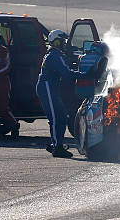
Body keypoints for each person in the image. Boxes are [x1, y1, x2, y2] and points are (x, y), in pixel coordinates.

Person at [36, 29, 88, 158]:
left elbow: (66, 71)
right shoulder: (54, 56)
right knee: (55, 118)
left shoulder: (56, 54)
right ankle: (57, 147)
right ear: (57, 41)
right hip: (47, 87)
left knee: (61, 117)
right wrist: (86, 75)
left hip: (51, 87)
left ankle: (57, 143)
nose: (65, 43)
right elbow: (67, 73)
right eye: (63, 41)